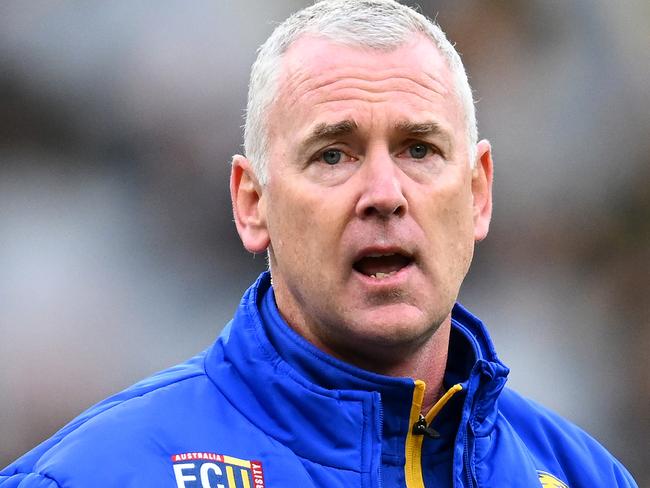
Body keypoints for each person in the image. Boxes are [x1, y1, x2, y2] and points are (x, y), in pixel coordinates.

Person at [1, 0, 638, 486]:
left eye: (420, 149)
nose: (384, 193)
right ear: (253, 204)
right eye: (334, 154)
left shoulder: (585, 475)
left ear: (478, 193)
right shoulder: (99, 473)